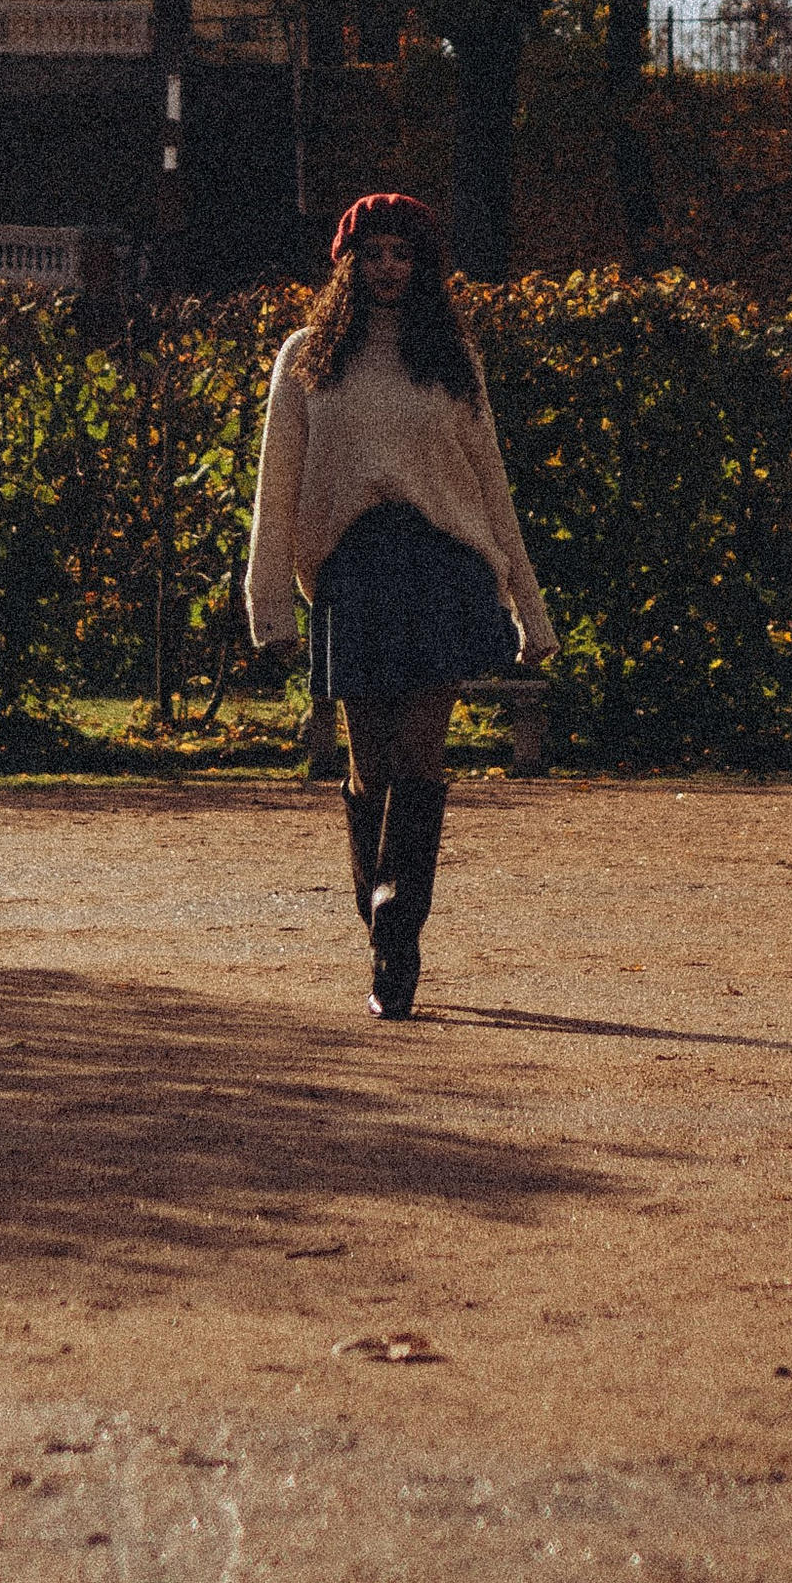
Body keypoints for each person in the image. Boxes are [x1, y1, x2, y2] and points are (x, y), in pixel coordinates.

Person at [245, 190, 556, 1018]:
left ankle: (400, 931)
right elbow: (276, 488)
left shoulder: (452, 359)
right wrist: (266, 598)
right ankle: (377, 910)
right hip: (353, 571)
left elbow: (492, 485)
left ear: (424, 269)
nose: (388, 267)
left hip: (444, 570)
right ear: (347, 264)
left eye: (403, 254)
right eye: (373, 252)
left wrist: (531, 606)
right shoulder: (308, 358)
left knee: (420, 752)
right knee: (368, 762)